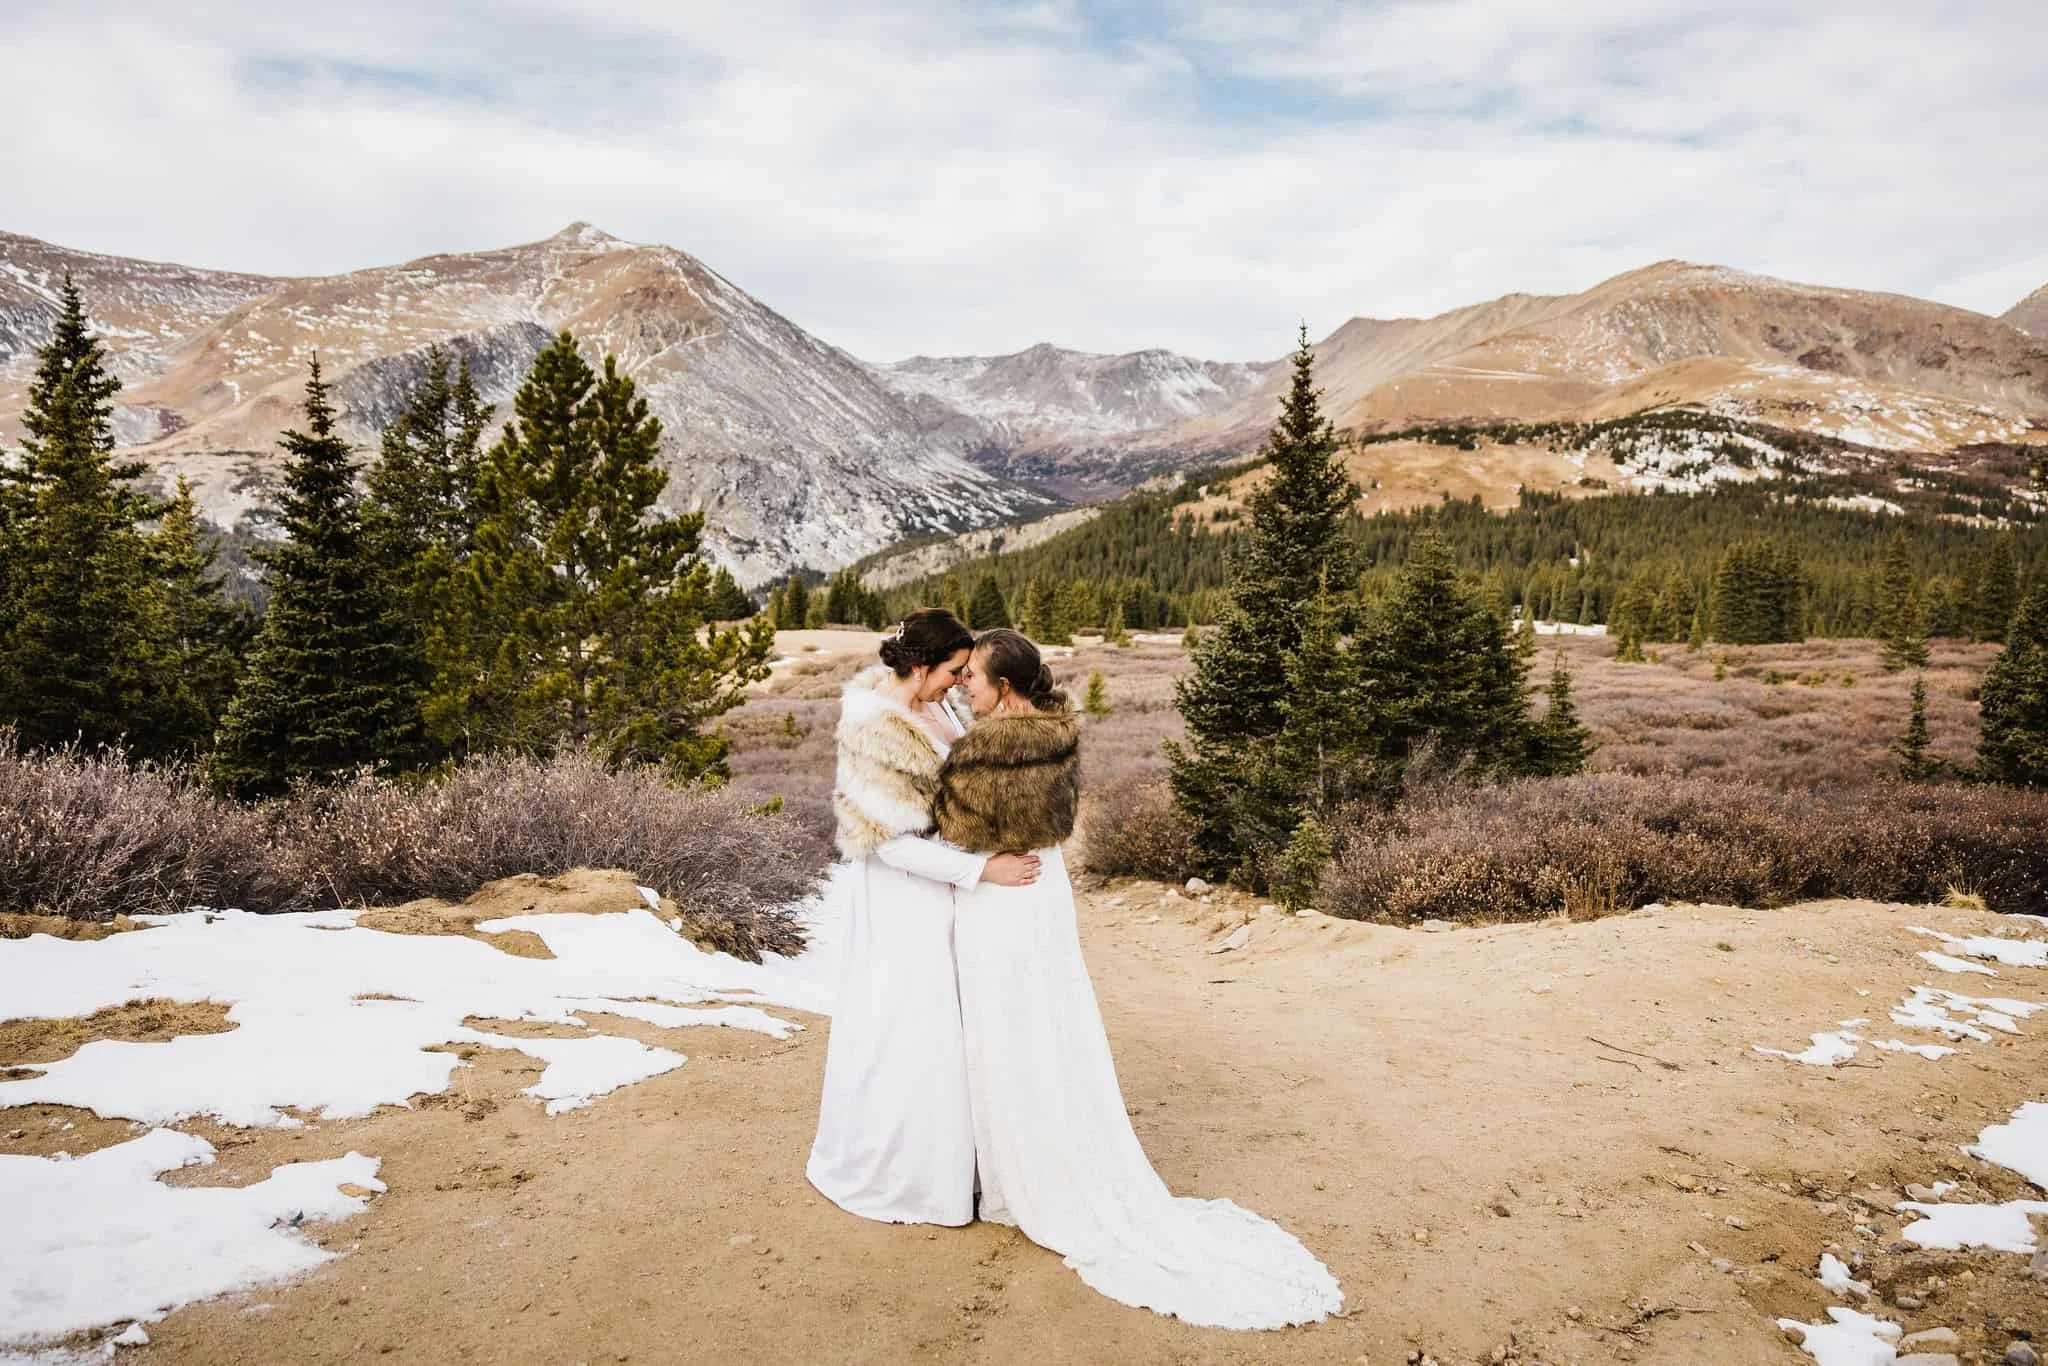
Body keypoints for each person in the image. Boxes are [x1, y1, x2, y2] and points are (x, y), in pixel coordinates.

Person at [937, 629, 1343, 1329]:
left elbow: (955, 830)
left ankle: (1021, 1172)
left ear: (1004, 688)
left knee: (1010, 1027)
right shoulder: (1058, 731)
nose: (963, 686)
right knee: (1050, 1022)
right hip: (1043, 889)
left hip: (1003, 899)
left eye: (973, 676)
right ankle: (1041, 1153)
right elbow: (1051, 822)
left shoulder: (986, 747)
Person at [806, 609, 1039, 1226]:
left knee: (954, 1028)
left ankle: (963, 1164)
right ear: (918, 667)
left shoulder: (939, 708)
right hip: (902, 900)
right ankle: (912, 1177)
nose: (961, 683)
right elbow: (888, 842)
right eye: (953, 671)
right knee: (912, 1029)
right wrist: (981, 870)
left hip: (943, 888)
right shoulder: (874, 729)